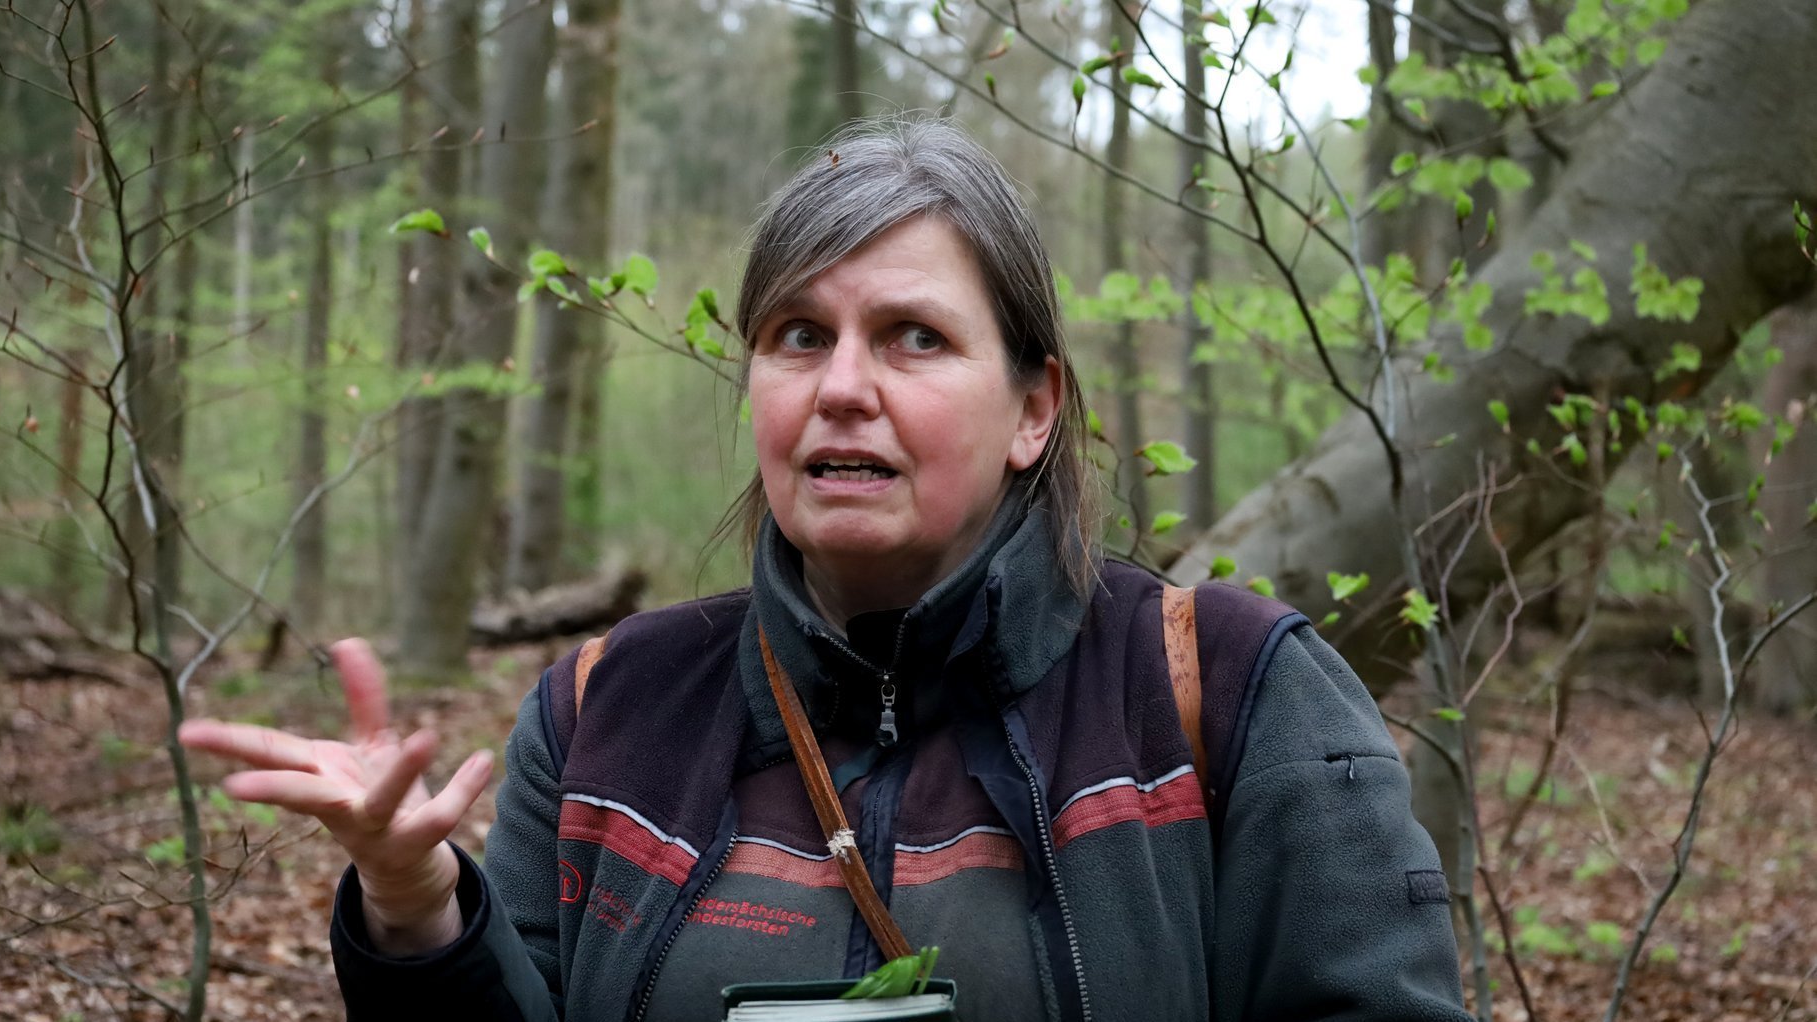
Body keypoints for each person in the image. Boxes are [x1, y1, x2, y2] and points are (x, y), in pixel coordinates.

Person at [181, 119, 1469, 1022]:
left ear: (1035, 409)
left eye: (913, 337)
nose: (843, 388)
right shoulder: (603, 712)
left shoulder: (1231, 692)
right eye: (800, 335)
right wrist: (416, 905)